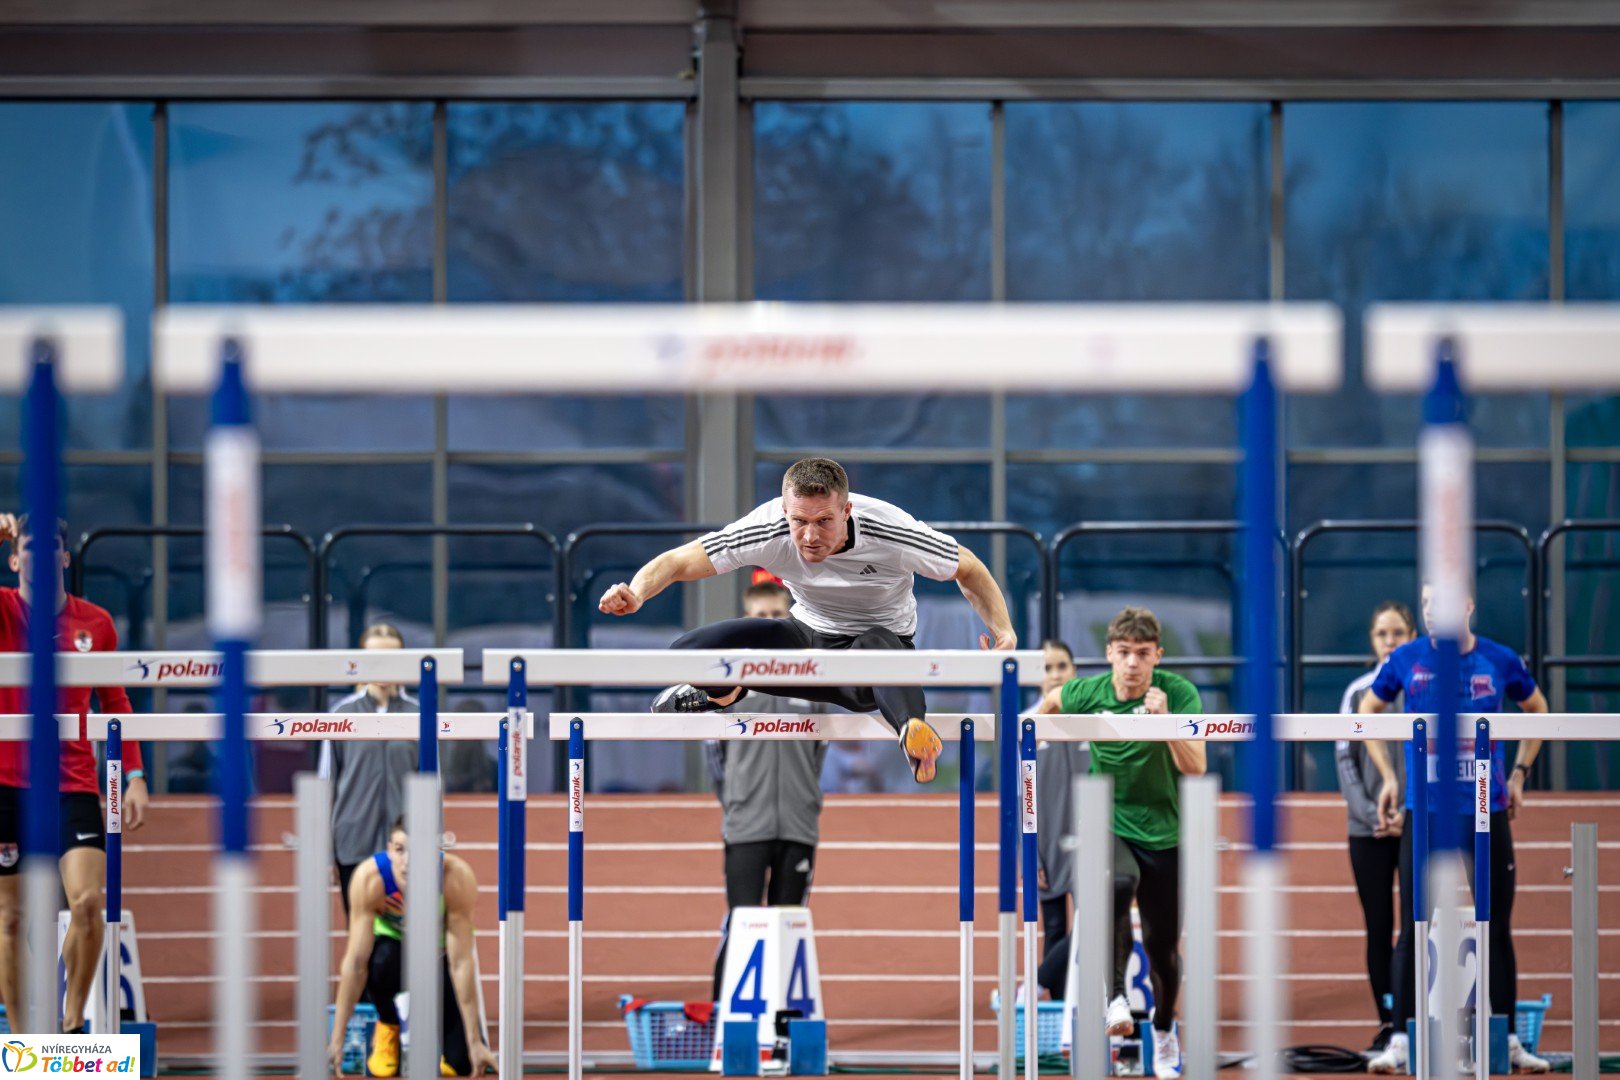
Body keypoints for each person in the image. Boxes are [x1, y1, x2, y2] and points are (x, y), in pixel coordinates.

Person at [599, 457, 1018, 784]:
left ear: (847, 510)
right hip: (805, 643)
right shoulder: (766, 526)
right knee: (686, 653)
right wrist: (636, 592)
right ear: (784, 511)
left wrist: (1003, 630)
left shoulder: (891, 529)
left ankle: (912, 733)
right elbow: (678, 561)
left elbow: (968, 567)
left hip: (872, 667)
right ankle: (722, 692)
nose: (810, 537)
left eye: (824, 522)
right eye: (798, 522)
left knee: (876, 641)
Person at [1358, 585, 1550, 1075]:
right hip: (1425, 809)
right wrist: (1388, 777)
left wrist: (1521, 773)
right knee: (1413, 927)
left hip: (1486, 806)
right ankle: (1401, 1039)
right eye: (1424, 605)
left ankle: (1505, 1040)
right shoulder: (1406, 659)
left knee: (1496, 927)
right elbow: (1366, 712)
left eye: (1439, 603)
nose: (1430, 612)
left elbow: (1540, 710)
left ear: (1468, 605)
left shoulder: (1499, 659)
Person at [1034, 607, 1203, 1080]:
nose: (1132, 664)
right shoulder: (1089, 691)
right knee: (1116, 881)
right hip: (1108, 819)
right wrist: (1038, 735)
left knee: (1164, 950)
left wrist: (1166, 722)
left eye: (1143, 655)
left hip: (1165, 831)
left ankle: (1166, 1030)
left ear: (1157, 657)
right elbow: (1048, 704)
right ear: (1109, 653)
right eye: (1124, 653)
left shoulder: (1178, 693)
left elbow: (1195, 766)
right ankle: (1114, 999)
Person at [0, 512, 149, 1034]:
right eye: (29, 546)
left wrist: (134, 774)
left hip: (73, 782)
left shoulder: (96, 623)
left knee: (88, 905)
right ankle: (21, 1040)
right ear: (15, 558)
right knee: (12, 920)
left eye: (52, 546)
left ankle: (69, 1021)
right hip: (6, 784)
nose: (41, 555)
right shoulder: (0, 608)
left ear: (65, 556)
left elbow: (115, 699)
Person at [706, 579, 828, 1002]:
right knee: (741, 921)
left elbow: (819, 749)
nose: (770, 624)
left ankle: (784, 1024)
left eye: (778, 618)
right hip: (746, 822)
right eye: (761, 618)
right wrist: (736, 800)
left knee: (790, 925)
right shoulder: (729, 685)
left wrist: (808, 796)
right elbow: (715, 755)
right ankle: (726, 1021)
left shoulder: (812, 683)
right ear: (746, 622)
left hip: (798, 823)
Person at [329, 818, 496, 1077]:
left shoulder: (454, 878)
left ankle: (458, 1043)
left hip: (436, 959)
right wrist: (336, 1040)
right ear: (389, 849)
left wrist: (474, 1040)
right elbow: (355, 964)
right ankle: (389, 1023)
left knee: (461, 1063)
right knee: (379, 960)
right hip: (392, 956)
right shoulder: (370, 879)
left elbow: (461, 962)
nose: (407, 862)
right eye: (399, 849)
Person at [1336, 601, 1416, 1053]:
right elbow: (1345, 759)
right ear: (1372, 640)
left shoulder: (1424, 689)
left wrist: (1408, 812)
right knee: (1378, 925)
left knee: (1416, 922)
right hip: (1367, 829)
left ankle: (1411, 1015)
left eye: (1398, 634)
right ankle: (1389, 1021)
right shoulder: (1357, 692)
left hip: (1414, 824)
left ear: (1411, 637)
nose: (1390, 641)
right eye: (1382, 634)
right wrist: (1372, 814)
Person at [318, 622, 419, 916]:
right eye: (375, 658)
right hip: (352, 845)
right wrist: (327, 854)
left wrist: (430, 843)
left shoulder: (420, 714)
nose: (384, 666)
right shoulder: (341, 714)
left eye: (392, 657)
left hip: (406, 848)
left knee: (404, 941)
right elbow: (327, 784)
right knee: (360, 936)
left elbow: (432, 783)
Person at [1034, 638, 1083, 992]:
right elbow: (1018, 797)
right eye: (1046, 668)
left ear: (1074, 671)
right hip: (1047, 846)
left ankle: (1037, 983)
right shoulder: (1027, 725)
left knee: (1094, 925)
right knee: (1054, 930)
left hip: (1092, 844)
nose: (1055, 675)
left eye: (1061, 666)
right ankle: (1054, 1007)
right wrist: (1029, 855)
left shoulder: (1096, 721)